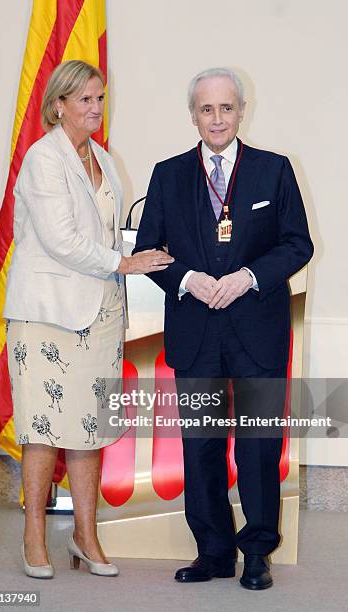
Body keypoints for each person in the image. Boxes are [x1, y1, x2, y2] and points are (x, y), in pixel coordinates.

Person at [134, 67, 313, 590]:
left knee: (258, 446)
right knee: (202, 445)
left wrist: (248, 277)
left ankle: (257, 552)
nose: (217, 118)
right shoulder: (167, 175)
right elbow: (149, 250)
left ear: (241, 111)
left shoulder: (274, 170)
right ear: (194, 115)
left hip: (258, 330)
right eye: (207, 109)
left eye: (226, 108)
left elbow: (296, 244)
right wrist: (188, 277)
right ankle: (212, 551)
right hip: (196, 333)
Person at [4, 60, 173, 579]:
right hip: (47, 316)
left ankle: (85, 535)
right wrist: (126, 263)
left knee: (88, 429)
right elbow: (60, 240)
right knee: (41, 430)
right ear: (58, 105)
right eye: (84, 100)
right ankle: (35, 535)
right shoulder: (43, 158)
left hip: (100, 314)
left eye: (100, 98)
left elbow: (109, 230)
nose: (96, 108)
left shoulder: (102, 156)